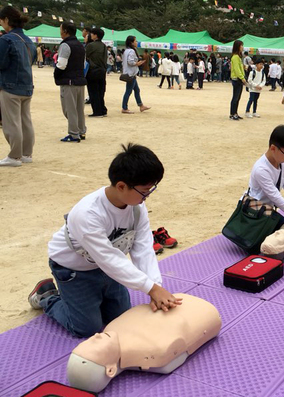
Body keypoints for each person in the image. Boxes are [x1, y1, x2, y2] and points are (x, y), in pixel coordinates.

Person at [28, 143, 183, 338]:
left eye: (151, 189)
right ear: (121, 186)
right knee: (87, 327)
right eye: (145, 191)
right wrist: (150, 288)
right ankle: (48, 296)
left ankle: (89, 299)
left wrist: (155, 286)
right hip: (74, 270)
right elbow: (108, 258)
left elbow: (142, 247)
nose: (148, 196)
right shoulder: (87, 214)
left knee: (123, 318)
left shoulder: (136, 206)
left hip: (106, 268)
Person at [0, 5, 36, 167]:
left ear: (7, 20)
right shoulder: (28, 40)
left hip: (9, 86)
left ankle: (14, 156)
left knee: (12, 122)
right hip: (26, 85)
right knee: (25, 120)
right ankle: (26, 153)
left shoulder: (6, 39)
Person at [55, 22, 88, 142]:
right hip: (79, 80)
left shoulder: (65, 45)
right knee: (79, 108)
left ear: (65, 31)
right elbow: (84, 64)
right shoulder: (80, 45)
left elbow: (62, 64)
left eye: (61, 29)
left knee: (69, 109)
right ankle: (81, 131)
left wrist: (56, 74)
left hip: (68, 81)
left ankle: (74, 133)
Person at [121, 36, 151, 114]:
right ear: (131, 42)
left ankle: (141, 105)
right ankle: (124, 108)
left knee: (136, 90)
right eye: (135, 41)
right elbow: (130, 62)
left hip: (129, 73)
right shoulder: (132, 51)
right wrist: (137, 63)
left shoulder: (126, 50)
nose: (136, 42)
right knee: (128, 91)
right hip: (131, 74)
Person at [85, 27, 108, 118]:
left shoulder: (90, 46)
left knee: (93, 91)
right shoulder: (103, 45)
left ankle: (97, 111)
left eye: (92, 34)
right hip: (102, 70)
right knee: (100, 91)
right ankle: (103, 110)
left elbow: (86, 56)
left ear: (95, 35)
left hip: (93, 71)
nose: (90, 35)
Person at [229, 40, 248, 120]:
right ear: (238, 46)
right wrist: (242, 78)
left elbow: (239, 68)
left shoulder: (238, 57)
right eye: (241, 45)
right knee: (235, 97)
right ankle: (232, 114)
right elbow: (237, 70)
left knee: (237, 97)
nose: (242, 47)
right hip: (237, 79)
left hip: (238, 79)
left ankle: (235, 113)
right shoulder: (235, 57)